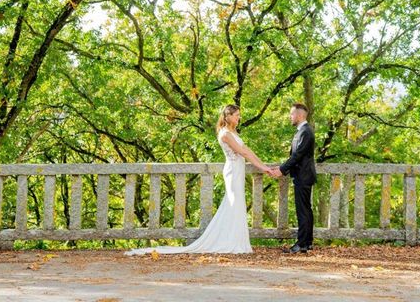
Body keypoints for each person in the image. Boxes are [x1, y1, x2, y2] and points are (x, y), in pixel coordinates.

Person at [126, 104, 272, 255]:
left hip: (239, 170)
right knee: (234, 203)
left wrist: (264, 166)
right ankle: (232, 242)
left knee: (237, 203)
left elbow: (248, 150)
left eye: (239, 115)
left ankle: (235, 240)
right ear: (227, 116)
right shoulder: (225, 134)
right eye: (236, 115)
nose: (239, 117)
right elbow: (243, 153)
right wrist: (263, 168)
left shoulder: (233, 131)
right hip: (233, 171)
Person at [269, 103, 316, 254]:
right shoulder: (302, 131)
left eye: (292, 114)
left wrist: (282, 170)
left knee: (303, 211)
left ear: (300, 115)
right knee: (306, 210)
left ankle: (302, 244)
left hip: (304, 176)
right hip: (303, 175)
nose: (290, 117)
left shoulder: (306, 132)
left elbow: (297, 155)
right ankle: (307, 242)